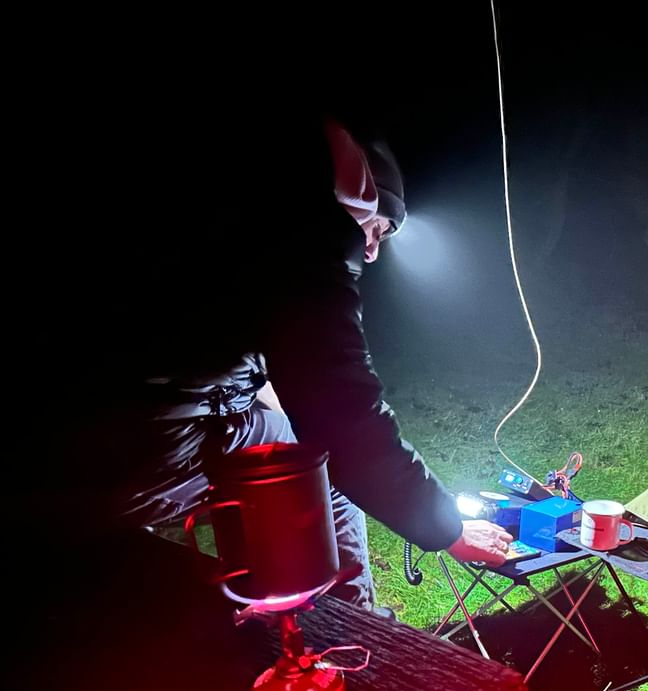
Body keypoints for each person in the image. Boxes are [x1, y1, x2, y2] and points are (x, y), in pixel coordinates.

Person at [38, 104, 512, 611]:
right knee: (317, 471)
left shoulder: (251, 212)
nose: (372, 250)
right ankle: (354, 631)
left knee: (282, 435)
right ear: (355, 195)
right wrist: (447, 529)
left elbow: (254, 362)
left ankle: (285, 603)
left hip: (80, 441)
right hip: (125, 455)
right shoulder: (305, 242)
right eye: (378, 230)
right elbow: (345, 421)